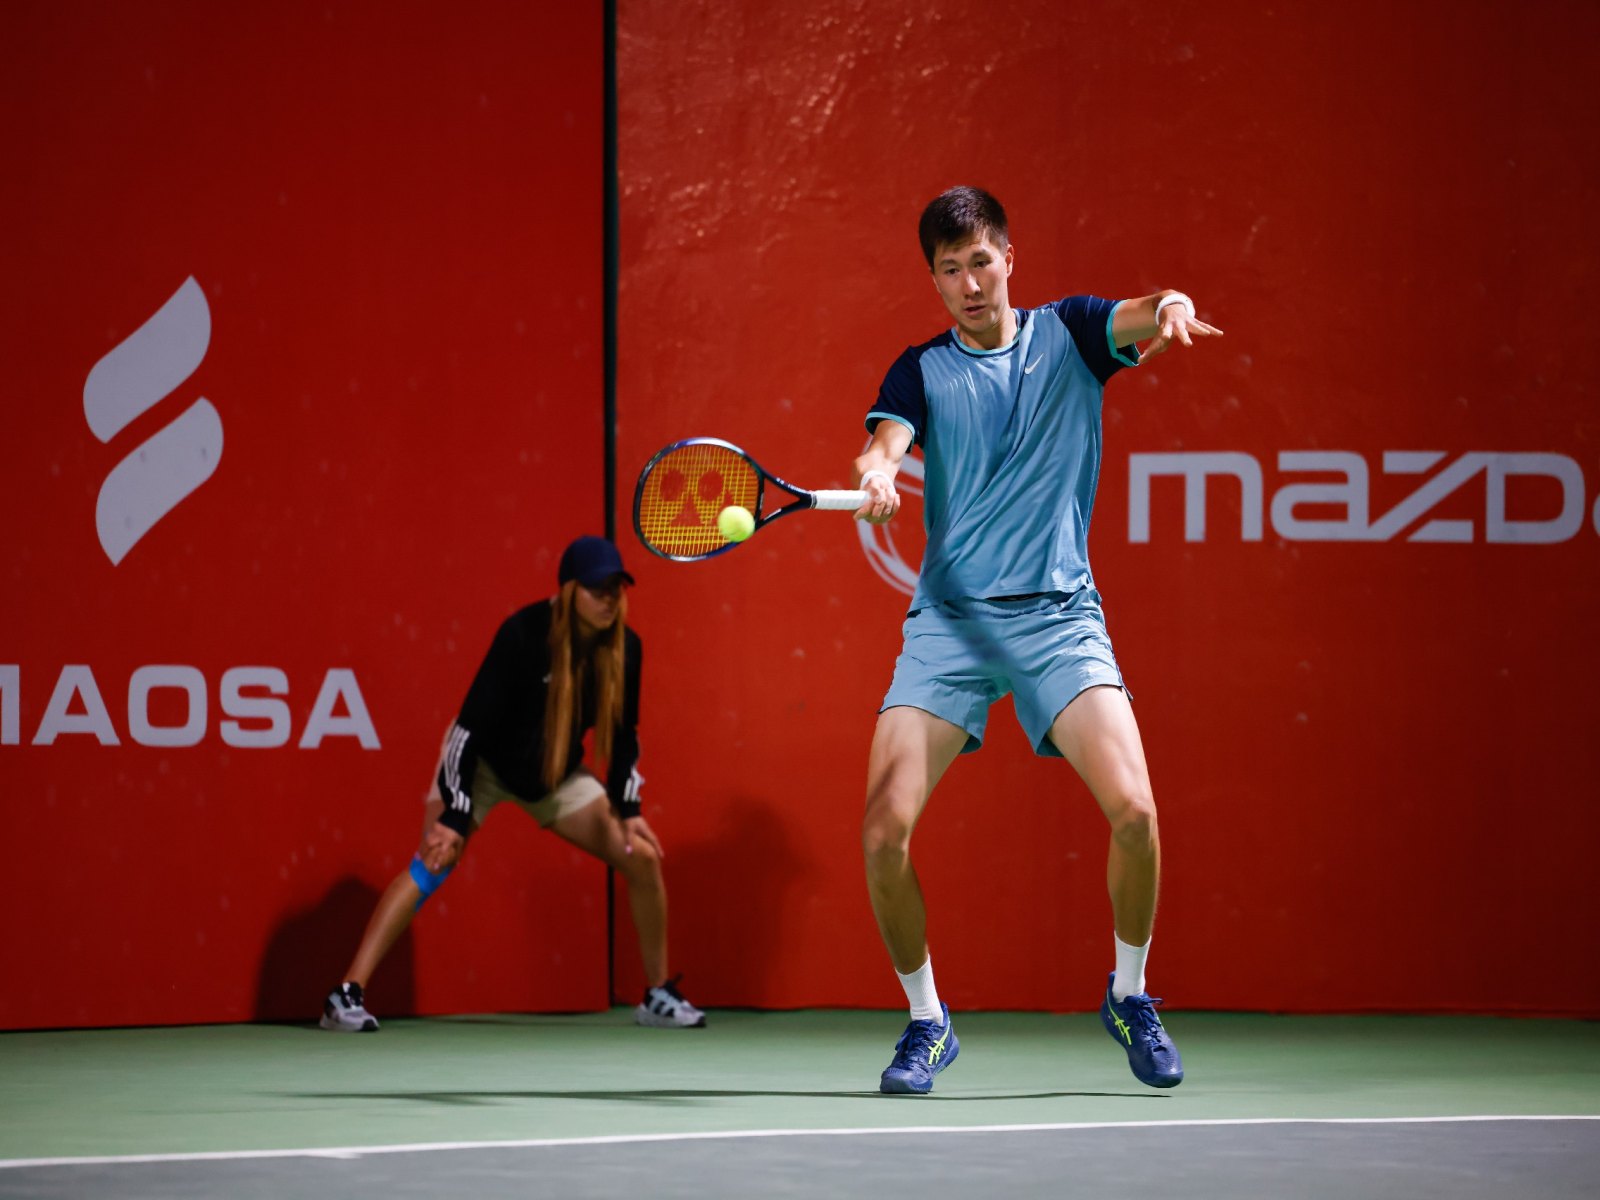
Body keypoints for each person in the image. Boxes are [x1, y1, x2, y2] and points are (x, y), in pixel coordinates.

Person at [851, 186, 1222, 1094]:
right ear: (935, 280)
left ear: (1008, 257)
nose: (970, 284)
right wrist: (879, 471)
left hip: (1059, 617)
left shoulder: (1073, 335)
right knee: (882, 834)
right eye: (950, 271)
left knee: (1137, 814)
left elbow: (1144, 310)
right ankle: (927, 1021)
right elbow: (884, 443)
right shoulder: (920, 371)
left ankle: (1129, 996)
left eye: (981, 262)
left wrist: (1171, 307)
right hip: (952, 624)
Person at [321, 535, 706, 1032]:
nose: (609, 599)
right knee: (434, 860)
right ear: (569, 590)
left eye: (616, 589)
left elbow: (624, 736)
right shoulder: (523, 634)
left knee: (643, 856)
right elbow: (467, 732)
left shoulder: (626, 649)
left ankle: (657, 996)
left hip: (554, 775)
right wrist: (454, 816)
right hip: (480, 767)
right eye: (597, 589)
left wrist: (629, 811)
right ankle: (345, 996)